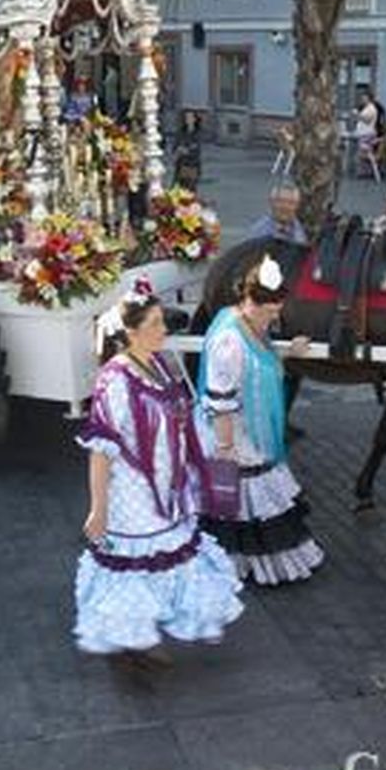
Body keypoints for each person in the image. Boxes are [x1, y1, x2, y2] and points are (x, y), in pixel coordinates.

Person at [74, 285, 243, 665]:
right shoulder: (114, 380)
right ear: (131, 332)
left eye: (162, 321)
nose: (163, 329)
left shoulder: (161, 364)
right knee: (137, 564)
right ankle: (133, 641)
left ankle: (141, 637)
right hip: (132, 491)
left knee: (168, 559)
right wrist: (98, 509)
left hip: (167, 489)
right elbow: (100, 453)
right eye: (154, 323)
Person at [196, 255, 323, 584]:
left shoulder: (250, 325)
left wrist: (288, 351)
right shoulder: (229, 339)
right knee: (245, 497)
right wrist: (225, 449)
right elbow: (220, 400)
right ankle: (253, 565)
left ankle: (246, 562)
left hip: (250, 429)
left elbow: (259, 360)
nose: (274, 318)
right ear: (251, 302)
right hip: (234, 433)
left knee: (252, 499)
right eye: (270, 311)